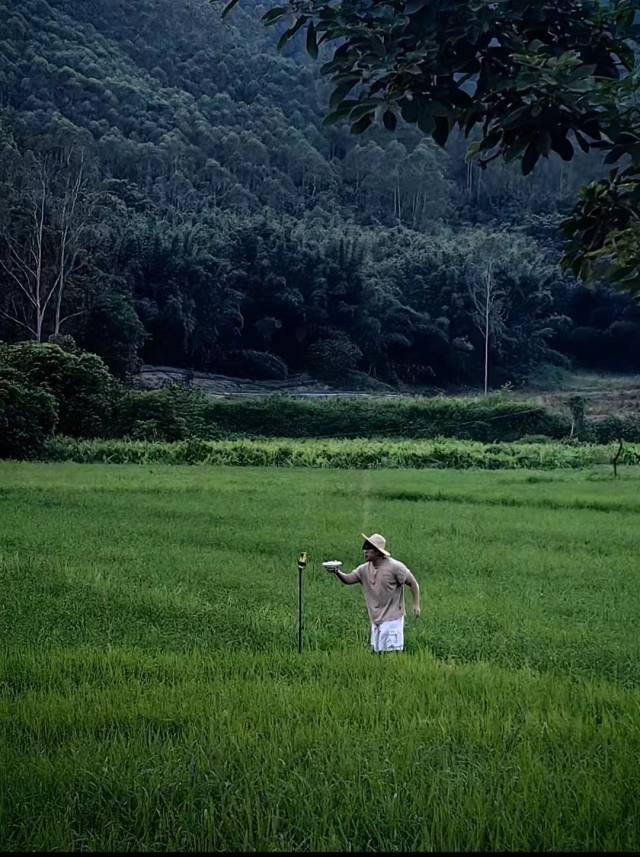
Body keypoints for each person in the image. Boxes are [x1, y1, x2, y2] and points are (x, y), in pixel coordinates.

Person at [327, 532, 421, 653]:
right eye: (364, 548)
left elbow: (413, 583)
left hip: (392, 619)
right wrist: (337, 572)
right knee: (378, 653)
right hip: (376, 619)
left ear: (378, 551)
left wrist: (416, 605)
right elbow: (349, 579)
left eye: (369, 548)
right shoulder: (364, 569)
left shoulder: (395, 567)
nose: (365, 551)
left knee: (390, 654)